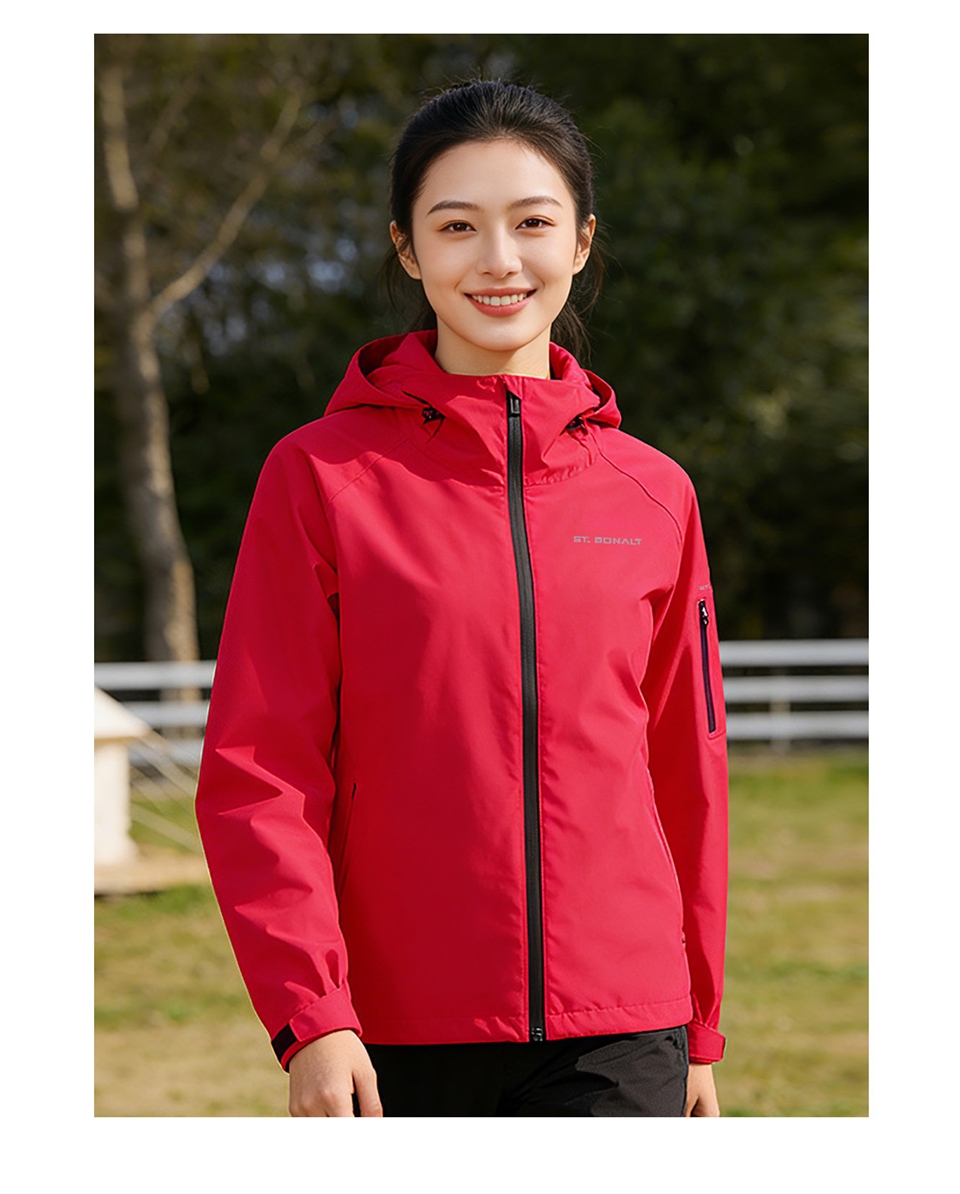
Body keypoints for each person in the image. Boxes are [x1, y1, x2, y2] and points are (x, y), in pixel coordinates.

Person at [195, 79, 728, 1118]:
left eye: (532, 223)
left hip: (623, 1029)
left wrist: (698, 1023)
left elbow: (687, 769)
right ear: (407, 249)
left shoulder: (655, 493)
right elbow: (261, 766)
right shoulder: (320, 477)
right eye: (456, 226)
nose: (498, 260)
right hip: (394, 1031)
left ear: (581, 241)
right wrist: (313, 1014)